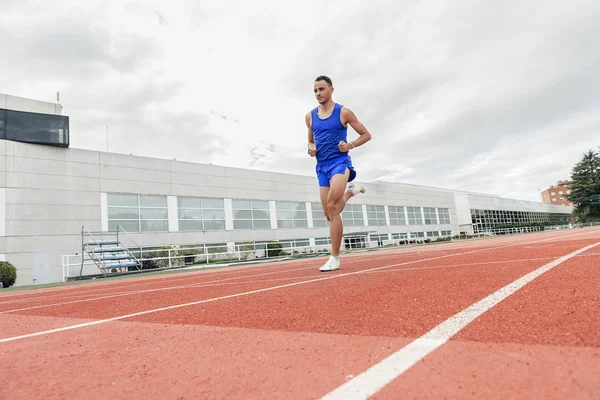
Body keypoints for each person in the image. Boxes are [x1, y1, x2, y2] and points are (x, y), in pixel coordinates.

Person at [306, 75, 372, 272]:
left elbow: (366, 134)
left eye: (322, 89)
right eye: (315, 90)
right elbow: (310, 141)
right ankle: (351, 192)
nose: (318, 93)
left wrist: (349, 145)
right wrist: (311, 149)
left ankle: (334, 257)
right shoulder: (310, 116)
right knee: (329, 213)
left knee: (333, 207)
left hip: (339, 162)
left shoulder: (343, 112)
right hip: (322, 166)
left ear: (331, 90)